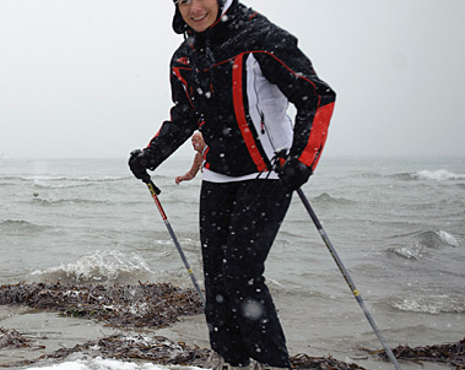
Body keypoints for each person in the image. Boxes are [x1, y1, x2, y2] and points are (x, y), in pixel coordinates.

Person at [128, 1, 335, 370]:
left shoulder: (260, 37)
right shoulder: (185, 57)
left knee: (240, 271)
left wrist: (302, 161)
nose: (194, 8)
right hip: (219, 174)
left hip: (270, 171)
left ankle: (271, 362)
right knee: (217, 278)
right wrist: (150, 156)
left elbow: (316, 95)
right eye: (183, 0)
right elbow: (186, 114)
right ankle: (229, 360)